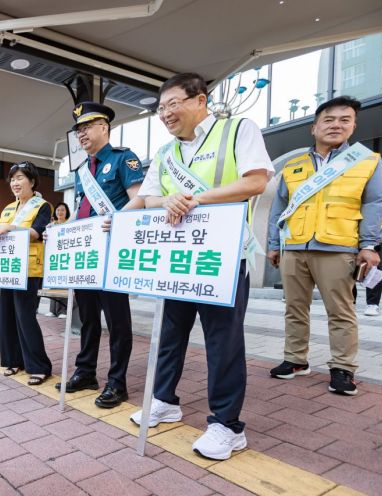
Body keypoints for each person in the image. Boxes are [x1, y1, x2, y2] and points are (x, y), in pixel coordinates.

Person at [127, 73, 273, 460]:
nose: (166, 114)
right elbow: (149, 199)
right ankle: (164, 400)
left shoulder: (237, 129)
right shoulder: (165, 153)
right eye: (160, 109)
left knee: (222, 341)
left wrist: (196, 199)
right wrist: (165, 203)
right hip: (177, 257)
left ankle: (227, 426)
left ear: (200, 100)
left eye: (173, 103)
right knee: (169, 332)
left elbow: (256, 181)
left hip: (222, 256)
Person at [267, 96, 382, 396]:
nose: (336, 125)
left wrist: (369, 244)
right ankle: (295, 360)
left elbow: (375, 203)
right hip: (295, 247)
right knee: (294, 307)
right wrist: (273, 245)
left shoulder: (367, 160)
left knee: (341, 311)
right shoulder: (294, 165)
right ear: (314, 127)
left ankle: (343, 368)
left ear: (353, 125)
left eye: (344, 120)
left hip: (339, 246)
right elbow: (278, 207)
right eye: (329, 119)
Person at [55, 101, 144, 409]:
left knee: (118, 322)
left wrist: (116, 218)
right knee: (88, 318)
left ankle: (117, 383)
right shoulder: (82, 171)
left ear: (104, 127)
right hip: (86, 256)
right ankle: (85, 372)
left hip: (111, 254)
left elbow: (140, 200)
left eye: (87, 127)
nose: (81, 134)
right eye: (78, 129)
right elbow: (82, 211)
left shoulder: (123, 159)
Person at [0, 161, 53, 385]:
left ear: (32, 181)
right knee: (7, 316)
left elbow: (36, 232)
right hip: (8, 269)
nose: (15, 183)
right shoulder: (7, 208)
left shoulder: (42, 206)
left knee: (25, 317)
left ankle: (39, 366)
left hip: (29, 270)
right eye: (12, 179)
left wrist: (10, 228)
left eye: (20, 178)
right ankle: (13, 361)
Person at [44, 202, 71, 318]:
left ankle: (63, 311)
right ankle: (53, 310)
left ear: (67, 212)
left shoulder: (69, 224)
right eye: (58, 210)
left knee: (63, 284)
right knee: (53, 283)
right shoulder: (51, 226)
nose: (60, 212)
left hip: (65, 258)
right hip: (53, 258)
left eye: (63, 210)